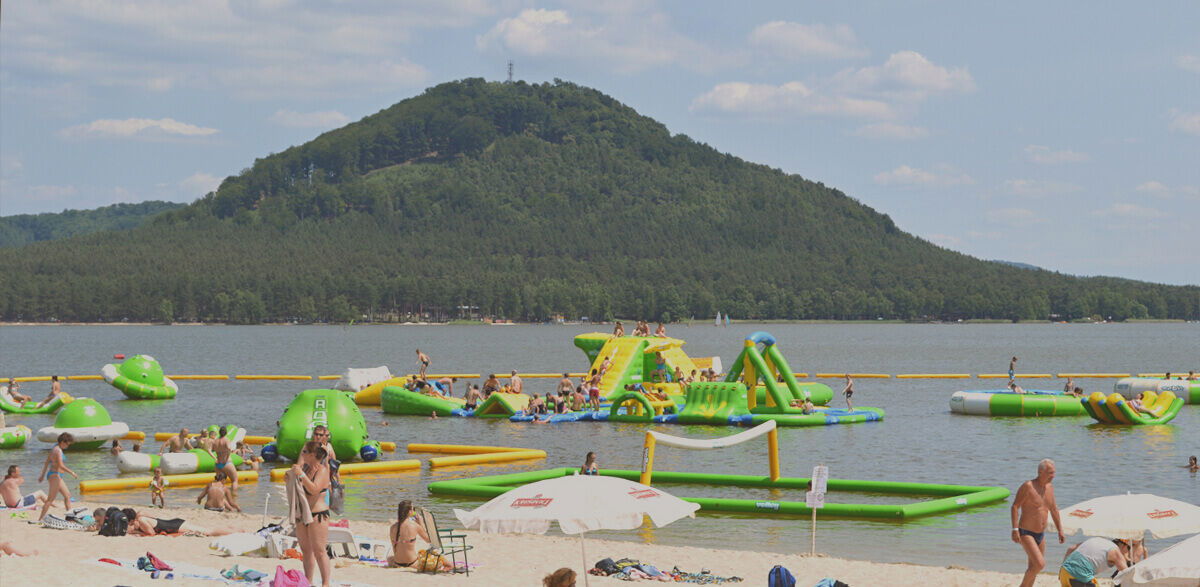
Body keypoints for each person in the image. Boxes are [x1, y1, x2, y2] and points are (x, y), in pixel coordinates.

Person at [1011, 458, 1066, 587]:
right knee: (1040, 564)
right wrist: (1015, 529)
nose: (1053, 476)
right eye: (1050, 473)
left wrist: (1060, 530)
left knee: (1033, 568)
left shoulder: (1050, 488)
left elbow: (1054, 509)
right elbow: (1015, 507)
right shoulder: (1028, 486)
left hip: (1041, 534)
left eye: (1054, 472)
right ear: (1040, 472)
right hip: (1026, 532)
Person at [291, 441, 332, 586]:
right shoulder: (305, 468)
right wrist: (289, 478)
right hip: (303, 514)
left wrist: (301, 475)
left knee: (319, 551)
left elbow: (314, 489)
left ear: (313, 454)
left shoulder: (322, 470)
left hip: (317, 514)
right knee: (306, 550)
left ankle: (325, 583)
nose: (302, 454)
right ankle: (308, 581)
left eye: (304, 452)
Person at [37, 432, 77, 521]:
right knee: (50, 499)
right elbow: (60, 465)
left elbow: (47, 462)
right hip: (55, 475)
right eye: (67, 444)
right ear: (62, 442)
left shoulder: (55, 448)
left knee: (67, 495)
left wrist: (42, 475)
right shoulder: (57, 450)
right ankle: (40, 519)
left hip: (56, 475)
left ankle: (70, 517)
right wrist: (72, 472)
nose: (68, 446)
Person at [1059, 537, 1129, 586]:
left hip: (1064, 572)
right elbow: (1127, 574)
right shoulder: (1116, 552)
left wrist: (1061, 570)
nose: (1128, 551)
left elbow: (1071, 549)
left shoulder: (1098, 540)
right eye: (1129, 548)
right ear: (1124, 546)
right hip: (1080, 575)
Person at [123, 508, 234, 537]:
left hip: (176, 526)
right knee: (207, 530)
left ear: (131, 521)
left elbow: (151, 534)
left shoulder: (141, 520)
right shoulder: (140, 517)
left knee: (208, 532)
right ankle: (231, 529)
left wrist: (136, 533)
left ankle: (234, 532)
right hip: (173, 523)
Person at [213, 426, 239, 493]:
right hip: (226, 463)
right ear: (226, 433)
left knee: (219, 481)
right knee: (234, 480)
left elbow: (212, 449)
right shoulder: (226, 440)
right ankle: (234, 495)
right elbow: (229, 448)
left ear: (219, 432)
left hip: (218, 464)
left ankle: (218, 495)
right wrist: (227, 457)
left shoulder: (216, 441)